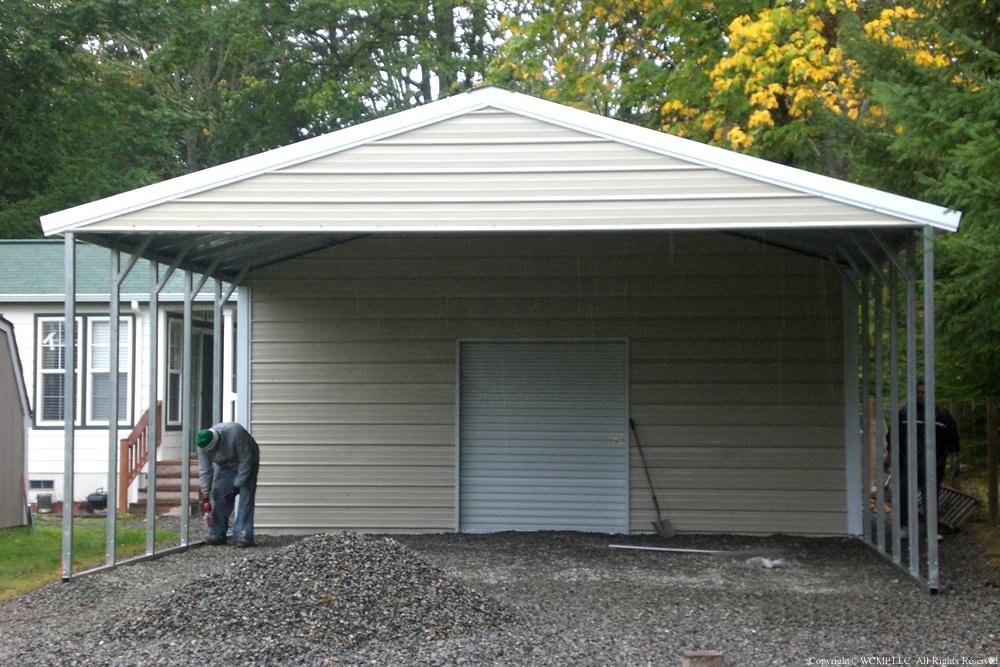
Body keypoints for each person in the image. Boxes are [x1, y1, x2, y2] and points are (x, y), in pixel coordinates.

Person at [892, 382, 960, 540]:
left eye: (923, 392)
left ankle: (931, 530)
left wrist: (954, 460)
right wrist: (892, 457)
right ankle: (905, 527)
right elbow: (894, 437)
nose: (920, 395)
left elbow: (953, 439)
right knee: (905, 494)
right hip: (907, 463)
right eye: (917, 392)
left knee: (930, 496)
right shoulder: (904, 414)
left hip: (934, 464)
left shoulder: (942, 416)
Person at [196, 422, 260, 548]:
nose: (213, 452)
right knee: (219, 495)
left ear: (218, 440)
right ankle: (217, 535)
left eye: (214, 449)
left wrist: (236, 486)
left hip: (248, 461)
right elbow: (205, 470)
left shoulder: (235, 432)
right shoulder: (202, 446)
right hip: (225, 466)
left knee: (245, 499)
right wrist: (205, 495)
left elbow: (245, 461)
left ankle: (243, 536)